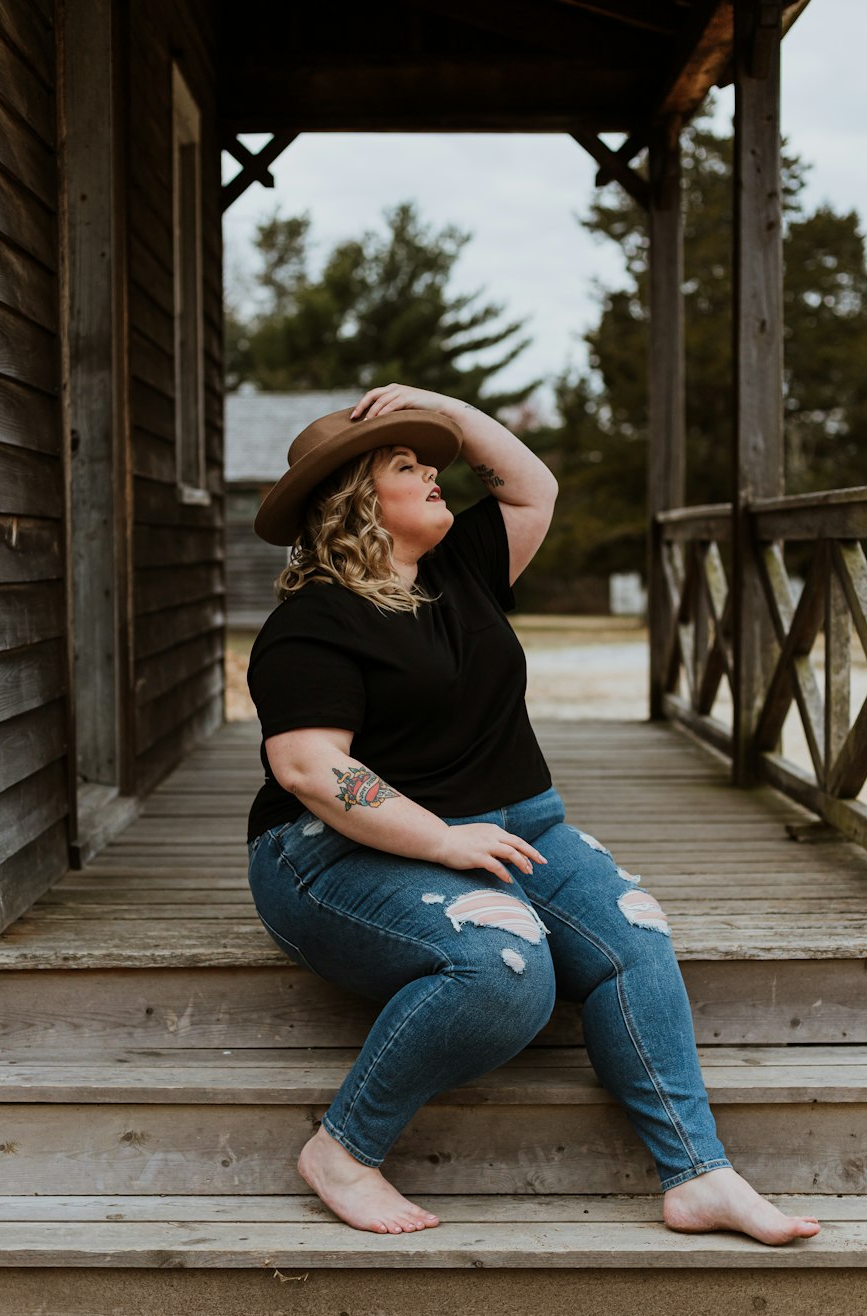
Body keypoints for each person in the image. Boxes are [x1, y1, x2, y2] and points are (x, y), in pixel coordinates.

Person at [246, 382, 822, 1246]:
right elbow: (309, 768)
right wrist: (440, 838)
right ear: (356, 502)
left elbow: (531, 487)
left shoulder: (463, 571)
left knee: (633, 934)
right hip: (332, 853)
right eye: (409, 466)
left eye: (434, 462)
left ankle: (700, 1177)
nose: (437, 474)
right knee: (505, 966)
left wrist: (441, 410)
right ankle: (343, 1151)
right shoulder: (312, 623)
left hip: (516, 823)